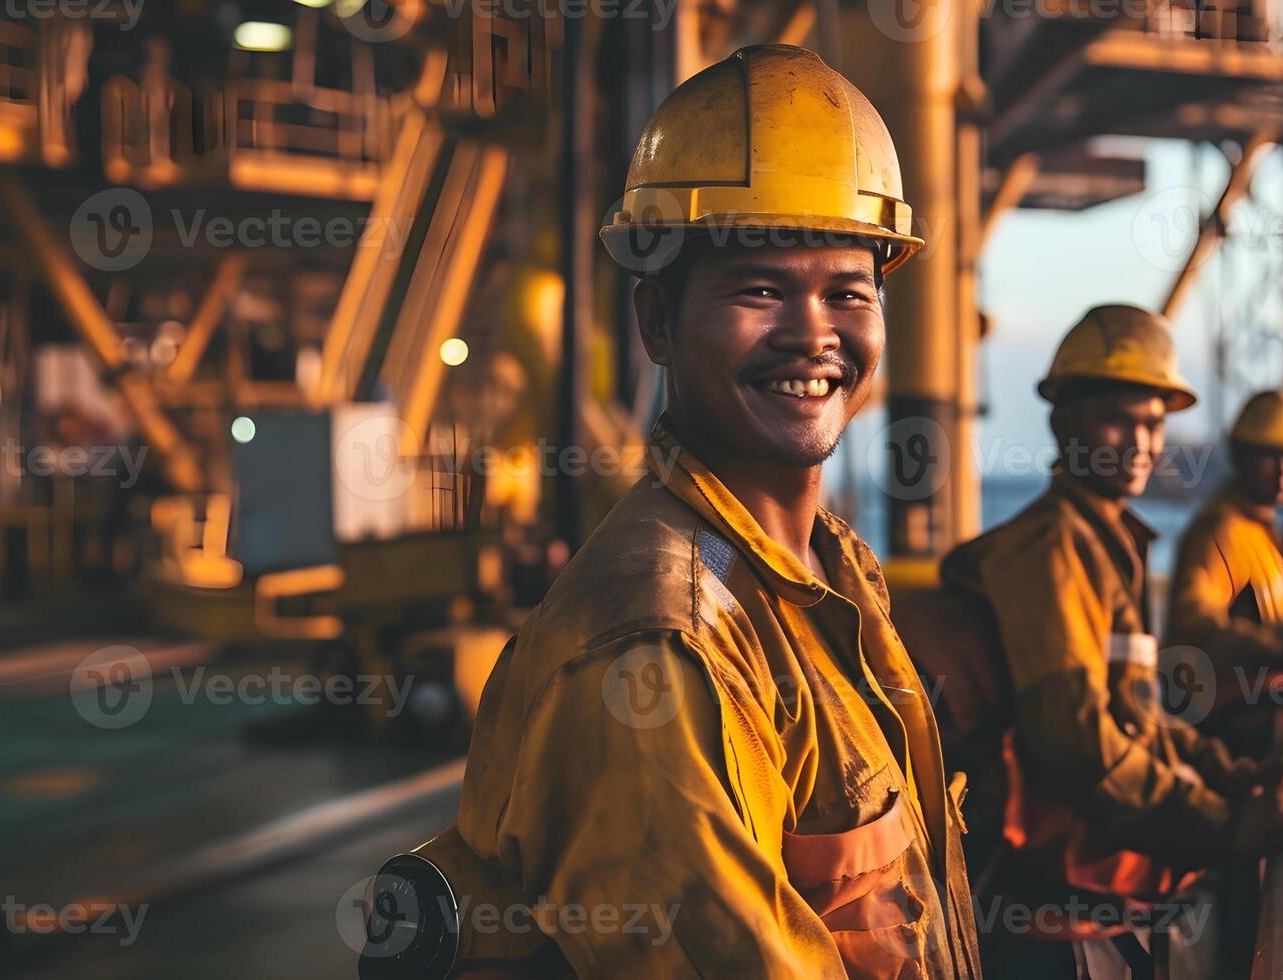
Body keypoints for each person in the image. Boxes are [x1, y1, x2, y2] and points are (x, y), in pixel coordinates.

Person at [409, 45, 980, 979]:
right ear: (657, 322)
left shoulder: (824, 577)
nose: (813, 333)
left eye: (847, 290)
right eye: (759, 288)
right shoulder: (655, 649)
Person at [923, 309, 1283, 977]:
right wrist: (1226, 824)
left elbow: (1141, 718)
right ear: (1064, 424)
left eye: (1153, 422)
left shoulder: (1107, 548)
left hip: (1094, 903)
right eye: (1118, 419)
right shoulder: (1048, 554)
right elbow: (1079, 744)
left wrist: (1236, 780)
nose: (1141, 440)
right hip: (1044, 920)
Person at [1165, 387, 1283, 761]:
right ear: (1240, 456)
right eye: (1271, 455)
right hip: (1224, 739)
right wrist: (1277, 650)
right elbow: (1192, 622)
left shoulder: (1264, 532)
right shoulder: (1221, 530)